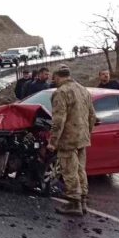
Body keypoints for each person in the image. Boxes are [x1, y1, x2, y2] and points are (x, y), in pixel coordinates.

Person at [48, 67, 97, 216]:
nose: (53, 80)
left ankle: (73, 202)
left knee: (69, 170)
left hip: (68, 138)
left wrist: (53, 142)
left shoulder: (61, 92)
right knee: (80, 169)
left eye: (53, 77)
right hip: (82, 137)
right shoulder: (83, 90)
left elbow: (58, 120)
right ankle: (82, 201)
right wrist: (87, 133)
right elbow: (92, 116)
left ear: (57, 76)